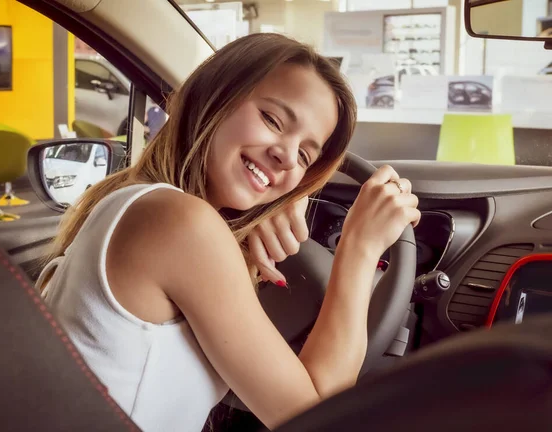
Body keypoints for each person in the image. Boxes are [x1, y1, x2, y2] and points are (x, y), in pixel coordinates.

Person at [36, 33, 420, 432]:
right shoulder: (181, 222)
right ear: (214, 97)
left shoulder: (133, 201)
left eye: (305, 156)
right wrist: (360, 247)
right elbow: (315, 417)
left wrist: (265, 203)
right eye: (272, 120)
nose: (286, 156)